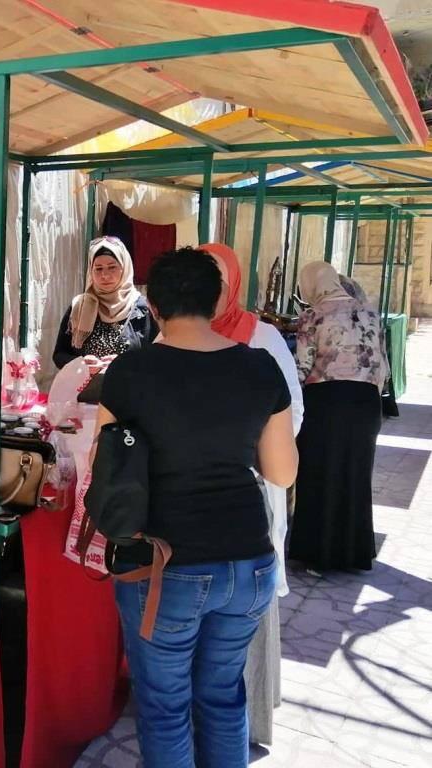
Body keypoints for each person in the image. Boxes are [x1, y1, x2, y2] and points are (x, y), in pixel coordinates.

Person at [93, 247, 298, 768]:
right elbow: (282, 473)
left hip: (166, 566)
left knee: (165, 706)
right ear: (217, 302)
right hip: (248, 561)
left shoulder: (130, 371)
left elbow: (106, 463)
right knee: (223, 694)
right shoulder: (259, 367)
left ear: (153, 306)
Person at [200, 243, 304, 747]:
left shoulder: (262, 338)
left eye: (218, 282)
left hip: (251, 487)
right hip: (192, 493)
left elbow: (293, 410)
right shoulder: (177, 333)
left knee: (245, 607)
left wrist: (244, 453)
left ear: (234, 285)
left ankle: (248, 718)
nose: (209, 292)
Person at [290, 260, 386, 573]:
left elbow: (302, 368)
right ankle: (354, 554)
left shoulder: (313, 315)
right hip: (366, 403)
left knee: (320, 475)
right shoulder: (370, 312)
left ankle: (319, 556)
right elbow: (381, 367)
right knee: (355, 476)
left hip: (327, 403)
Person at [52, 235, 156, 375]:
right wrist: (80, 363)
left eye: (112, 267)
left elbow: (158, 357)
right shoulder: (79, 306)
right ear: (91, 271)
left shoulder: (144, 309)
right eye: (98, 268)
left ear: (125, 268)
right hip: (86, 387)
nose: (105, 275)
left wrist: (125, 363)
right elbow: (59, 354)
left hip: (130, 388)